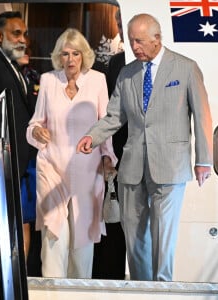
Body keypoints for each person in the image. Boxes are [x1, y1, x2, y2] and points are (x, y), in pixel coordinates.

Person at [77, 13, 213, 282]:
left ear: (157, 39)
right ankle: (141, 289)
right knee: (135, 236)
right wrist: (92, 137)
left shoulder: (185, 68)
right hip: (133, 166)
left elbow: (202, 115)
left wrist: (204, 160)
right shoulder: (128, 74)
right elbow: (114, 116)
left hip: (171, 166)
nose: (134, 46)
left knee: (163, 236)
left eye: (139, 41)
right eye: (131, 41)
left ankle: (162, 289)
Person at [26, 28, 118, 279]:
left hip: (87, 171)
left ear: (83, 55)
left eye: (75, 53)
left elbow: (105, 123)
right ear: (59, 56)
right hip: (52, 167)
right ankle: (52, 292)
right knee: (54, 235)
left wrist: (108, 156)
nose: (70, 59)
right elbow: (34, 124)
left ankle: (79, 292)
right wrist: (36, 133)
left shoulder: (98, 80)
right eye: (65, 54)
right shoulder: (48, 80)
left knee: (82, 242)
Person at [0, 11, 38, 264]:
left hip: (19, 163)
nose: (23, 39)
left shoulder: (13, 65)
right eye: (17, 33)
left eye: (24, 34)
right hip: (2, 163)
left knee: (20, 224)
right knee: (3, 226)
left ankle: (18, 278)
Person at [92, 7, 127, 280]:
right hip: (114, 153)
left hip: (142, 155)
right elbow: (109, 112)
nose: (120, 26)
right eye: (119, 22)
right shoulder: (115, 63)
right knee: (112, 219)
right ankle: (109, 278)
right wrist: (107, 152)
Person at [16, 44, 42, 276]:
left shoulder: (36, 78)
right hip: (11, 157)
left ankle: (25, 272)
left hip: (33, 158)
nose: (25, 50)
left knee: (28, 220)